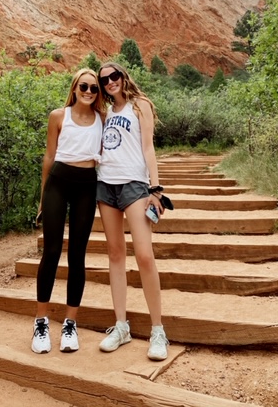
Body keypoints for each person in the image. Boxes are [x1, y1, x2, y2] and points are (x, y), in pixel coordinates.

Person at [96, 61, 169, 361]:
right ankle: (121, 326)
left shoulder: (140, 106)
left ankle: (158, 330)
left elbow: (148, 148)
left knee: (144, 255)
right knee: (115, 254)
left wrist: (156, 188)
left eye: (114, 76)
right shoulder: (105, 112)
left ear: (123, 77)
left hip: (135, 186)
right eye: (105, 80)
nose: (110, 82)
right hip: (106, 186)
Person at [31, 68, 105, 354]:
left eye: (94, 88)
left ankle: (70, 325)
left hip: (87, 184)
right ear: (74, 88)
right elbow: (49, 156)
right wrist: (41, 197)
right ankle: (41, 323)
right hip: (58, 183)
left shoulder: (103, 119)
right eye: (83, 86)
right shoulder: (58, 116)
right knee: (50, 251)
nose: (88, 91)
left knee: (77, 255)